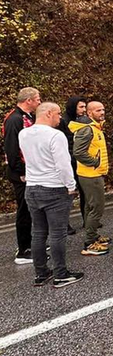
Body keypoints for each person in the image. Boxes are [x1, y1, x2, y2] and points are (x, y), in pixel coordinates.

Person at [19, 102, 83, 287]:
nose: (60, 117)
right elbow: (63, 164)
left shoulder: (23, 134)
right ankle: (61, 274)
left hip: (32, 187)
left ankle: (41, 272)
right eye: (58, 113)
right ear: (48, 113)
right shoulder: (56, 135)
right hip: (54, 188)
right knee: (57, 233)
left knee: (38, 232)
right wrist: (71, 185)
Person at [3, 87, 41, 264]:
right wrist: (21, 172)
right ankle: (23, 250)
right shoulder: (14, 119)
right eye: (37, 99)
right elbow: (11, 150)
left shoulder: (28, 117)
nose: (39, 102)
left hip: (31, 170)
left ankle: (32, 243)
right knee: (24, 210)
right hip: (21, 173)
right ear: (29, 100)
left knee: (32, 208)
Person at [70, 101, 112, 256]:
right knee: (97, 208)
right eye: (98, 110)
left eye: (103, 109)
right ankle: (89, 243)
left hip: (92, 173)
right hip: (91, 175)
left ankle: (93, 236)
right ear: (89, 113)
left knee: (90, 207)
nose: (102, 112)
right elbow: (79, 152)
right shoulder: (88, 130)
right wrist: (96, 162)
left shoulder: (95, 127)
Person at [59, 96, 88, 232]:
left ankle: (87, 219)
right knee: (68, 193)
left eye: (85, 107)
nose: (84, 110)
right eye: (81, 107)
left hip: (80, 161)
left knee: (85, 192)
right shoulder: (63, 121)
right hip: (70, 161)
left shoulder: (83, 120)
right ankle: (64, 224)